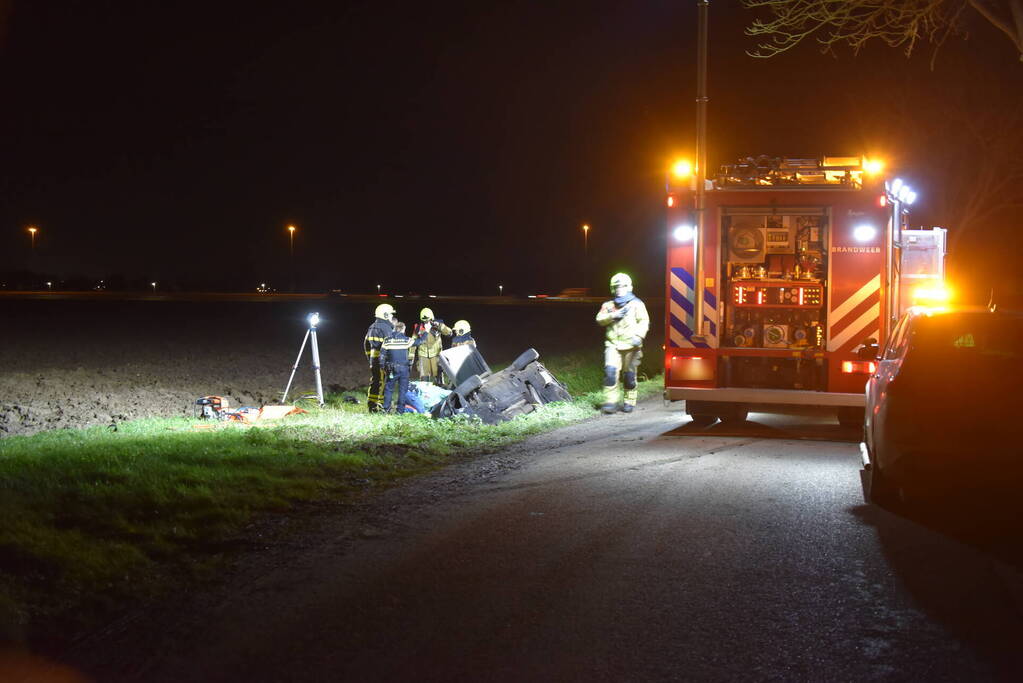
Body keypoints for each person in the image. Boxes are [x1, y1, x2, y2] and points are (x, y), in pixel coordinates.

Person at [595, 272, 649, 414]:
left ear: (628, 287)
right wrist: (613, 315)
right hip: (612, 346)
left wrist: (639, 336)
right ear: (612, 289)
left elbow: (644, 321)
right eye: (616, 287)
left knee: (629, 378)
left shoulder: (637, 304)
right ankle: (610, 402)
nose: (619, 289)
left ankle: (629, 401)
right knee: (610, 373)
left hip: (632, 347)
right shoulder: (608, 305)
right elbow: (599, 319)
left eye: (622, 286)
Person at [380, 322, 425, 414]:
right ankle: (400, 411)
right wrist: (426, 331)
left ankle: (385, 409)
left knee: (388, 389)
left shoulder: (387, 340)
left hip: (391, 369)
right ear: (403, 329)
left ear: (395, 329)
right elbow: (420, 341)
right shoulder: (406, 340)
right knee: (403, 390)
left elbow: (382, 355)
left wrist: (383, 366)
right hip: (404, 369)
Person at [363, 303, 395, 413]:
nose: (392, 317)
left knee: (375, 381)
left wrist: (370, 358)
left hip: (374, 360)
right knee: (384, 382)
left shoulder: (372, 327)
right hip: (384, 361)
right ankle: (383, 407)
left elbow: (366, 344)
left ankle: (371, 405)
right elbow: (390, 346)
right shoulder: (386, 328)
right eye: (390, 314)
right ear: (385, 315)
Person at [412, 307, 452, 384]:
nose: (426, 322)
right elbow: (414, 341)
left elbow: (449, 333)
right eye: (424, 320)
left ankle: (440, 388)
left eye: (427, 320)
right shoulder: (418, 327)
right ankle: (425, 393)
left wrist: (439, 326)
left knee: (438, 375)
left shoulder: (438, 325)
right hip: (423, 354)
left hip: (436, 354)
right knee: (424, 377)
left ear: (431, 318)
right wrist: (411, 356)